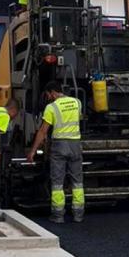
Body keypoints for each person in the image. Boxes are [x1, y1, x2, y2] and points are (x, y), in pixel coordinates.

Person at [26, 81, 84, 224]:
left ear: (52, 92)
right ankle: (78, 214)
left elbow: (43, 131)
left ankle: (58, 215)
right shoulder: (77, 102)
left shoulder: (51, 107)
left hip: (59, 146)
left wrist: (33, 150)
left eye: (48, 94)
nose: (48, 97)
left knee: (58, 182)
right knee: (77, 182)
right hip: (75, 144)